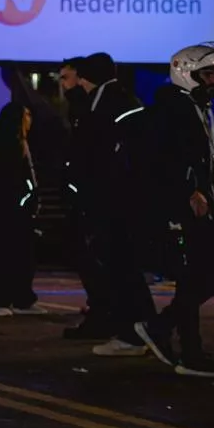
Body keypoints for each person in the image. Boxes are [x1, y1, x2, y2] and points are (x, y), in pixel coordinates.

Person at [135, 42, 214, 377]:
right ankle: (174, 339)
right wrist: (187, 192)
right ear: (187, 71)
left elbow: (205, 157)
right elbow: (161, 161)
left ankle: (180, 343)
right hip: (180, 210)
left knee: (200, 277)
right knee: (205, 275)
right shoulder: (171, 108)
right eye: (208, 74)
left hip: (197, 207)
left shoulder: (197, 108)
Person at [59, 53, 156, 356]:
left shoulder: (102, 105)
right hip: (121, 198)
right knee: (122, 267)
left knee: (119, 266)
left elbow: (95, 156)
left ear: (84, 77)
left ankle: (134, 333)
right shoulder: (124, 100)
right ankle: (142, 329)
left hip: (112, 200)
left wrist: (79, 191)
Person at [0, 103, 41, 315]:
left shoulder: (22, 142)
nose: (30, 118)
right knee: (7, 252)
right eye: (26, 114)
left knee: (23, 254)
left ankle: (21, 298)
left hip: (21, 208)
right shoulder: (8, 144)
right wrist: (25, 198)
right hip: (10, 209)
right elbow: (9, 179)